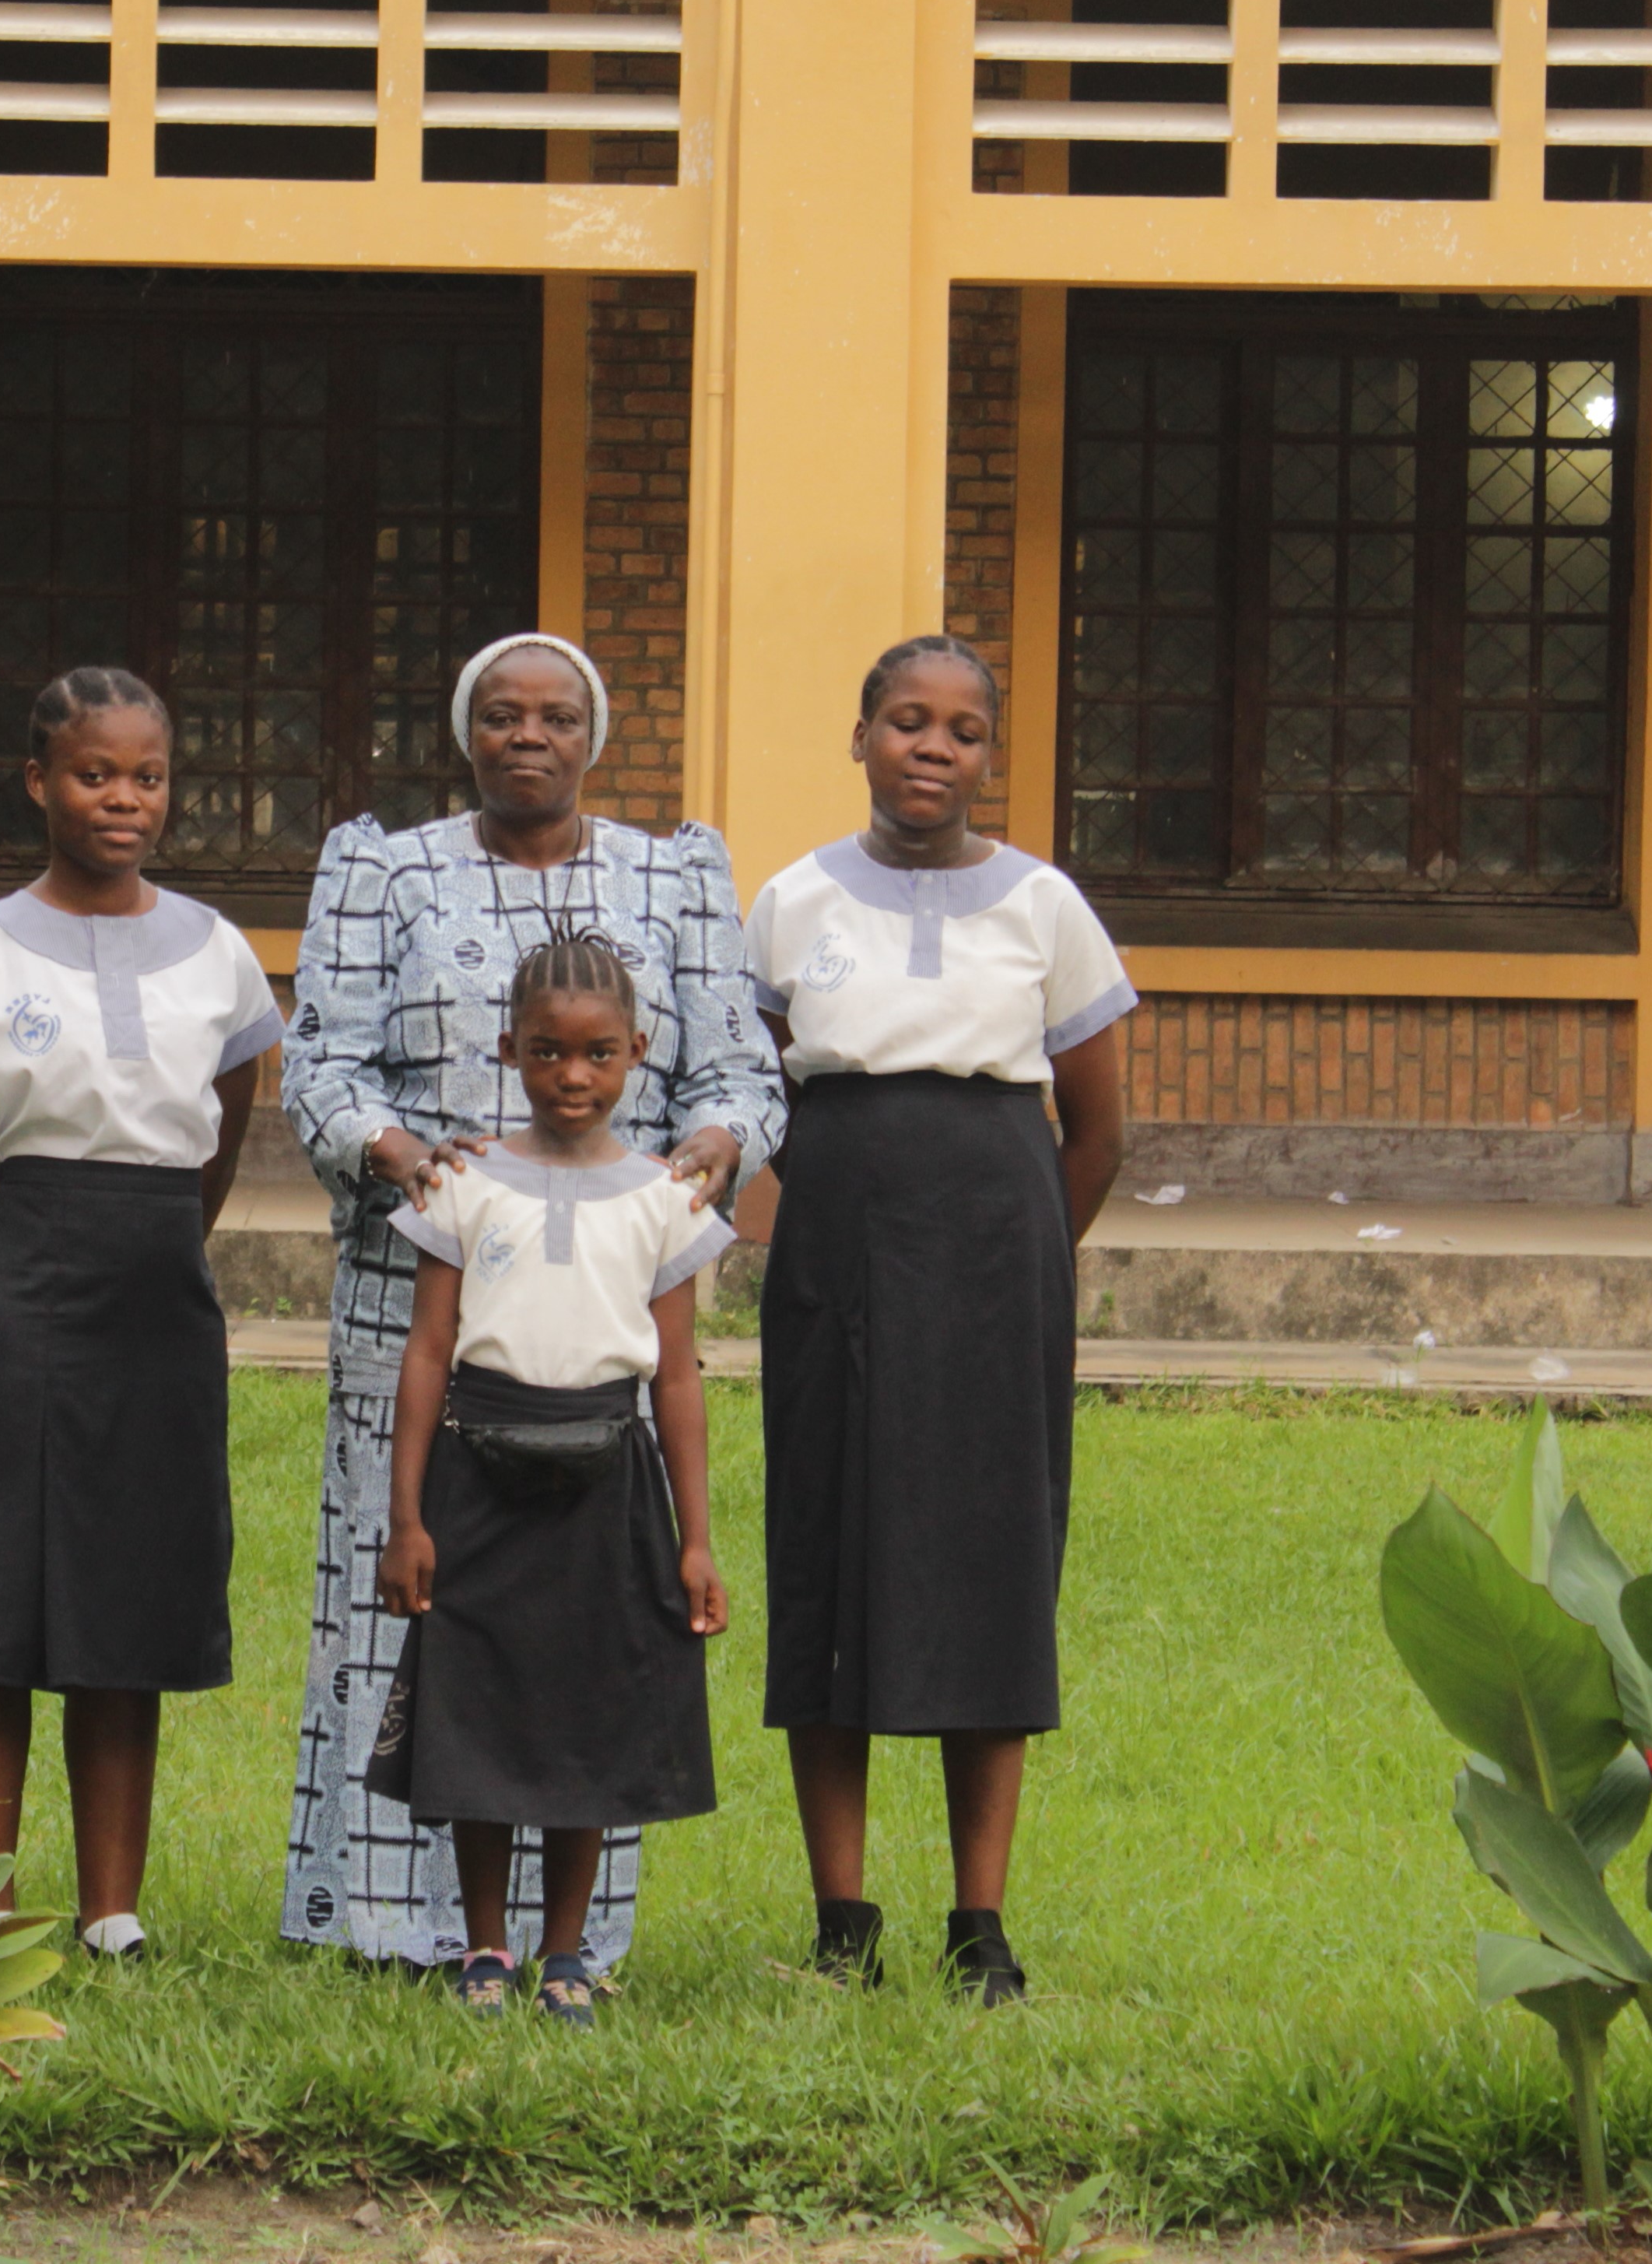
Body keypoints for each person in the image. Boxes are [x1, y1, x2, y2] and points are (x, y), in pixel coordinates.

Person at [278, 630, 786, 1973]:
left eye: (556, 718)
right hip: (425, 1296)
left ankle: (572, 1938)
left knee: (585, 1627)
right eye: (500, 716)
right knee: (416, 1602)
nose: (528, 737)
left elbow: (743, 1073)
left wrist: (712, 1151)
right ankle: (396, 1923)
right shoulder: (385, 871)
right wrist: (398, 1155)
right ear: (467, 733)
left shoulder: (673, 877)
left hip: (611, 1301)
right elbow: (319, 1062)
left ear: (593, 737)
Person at [742, 633, 1132, 2006]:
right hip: (837, 1243)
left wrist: (1015, 1258)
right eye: (906, 722)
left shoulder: (1045, 904)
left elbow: (1094, 1132)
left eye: (962, 731)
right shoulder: (789, 901)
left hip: (995, 1252)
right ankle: (843, 1919)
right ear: (859, 738)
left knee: (991, 1559)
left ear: (988, 755)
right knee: (829, 1546)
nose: (932, 749)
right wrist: (830, 1232)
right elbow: (751, 1096)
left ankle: (982, 1924)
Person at [0, 664, 282, 1962]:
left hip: (159, 1297)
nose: (124, 799)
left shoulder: (216, 950)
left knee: (130, 1606)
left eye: (148, 776)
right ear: (39, 784)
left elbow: (225, 1130)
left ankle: (113, 1912)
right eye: (95, 774)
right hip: (17, 1284)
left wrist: (160, 1250)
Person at [367, 931, 731, 2030]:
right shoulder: (461, 1183)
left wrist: (698, 1538)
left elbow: (676, 1378)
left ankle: (565, 1950)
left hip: (609, 1479)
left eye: (600, 1055)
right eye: (547, 1054)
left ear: (640, 1053)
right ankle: (485, 1943)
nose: (573, 1078)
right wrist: (405, 1519)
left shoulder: (665, 1197)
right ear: (508, 1048)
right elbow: (427, 1353)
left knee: (592, 1713)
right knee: (480, 1707)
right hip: (480, 1477)